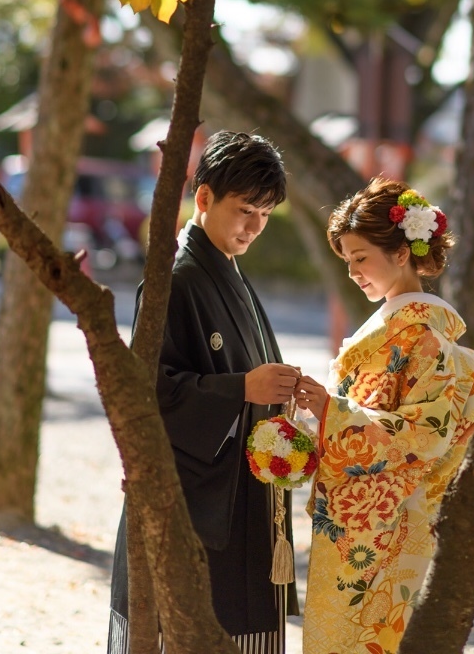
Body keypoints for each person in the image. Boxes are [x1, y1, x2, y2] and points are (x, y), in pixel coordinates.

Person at [108, 131, 301, 654]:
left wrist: (278, 391)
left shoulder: (227, 271)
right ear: (205, 197)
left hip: (238, 491)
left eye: (264, 214)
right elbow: (148, 394)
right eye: (244, 211)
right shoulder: (177, 276)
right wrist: (243, 387)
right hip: (194, 499)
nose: (253, 228)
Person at [295, 179, 474, 654]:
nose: (353, 272)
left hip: (389, 524)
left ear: (401, 253)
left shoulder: (422, 336)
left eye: (361, 258)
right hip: (357, 517)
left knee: (359, 641)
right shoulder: (391, 326)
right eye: (347, 261)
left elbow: (426, 436)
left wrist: (333, 413)